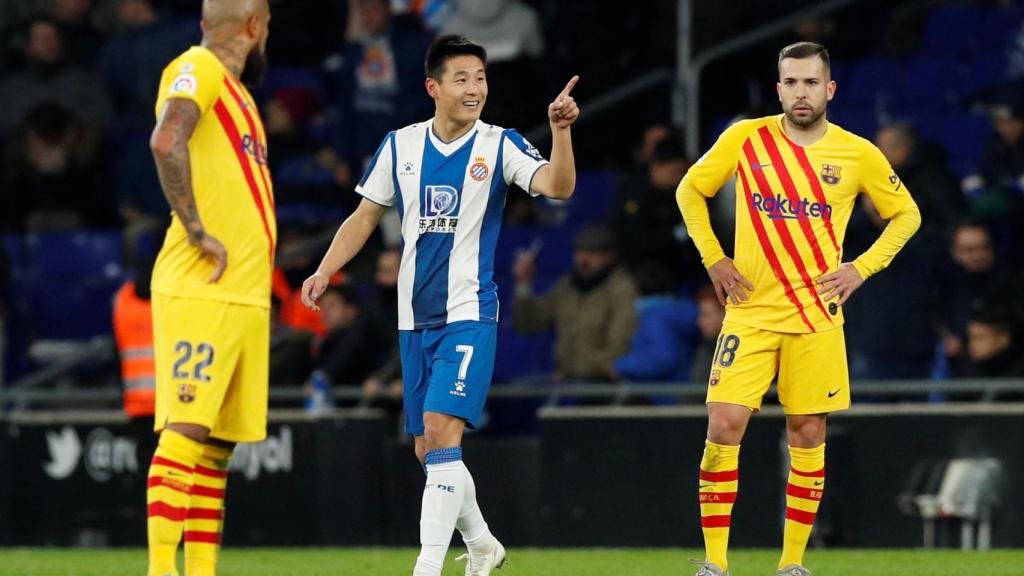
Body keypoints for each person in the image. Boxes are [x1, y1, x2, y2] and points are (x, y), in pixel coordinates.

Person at [301, 34, 579, 576]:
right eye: (462, 78)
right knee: (429, 451)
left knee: (440, 427)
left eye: (480, 77)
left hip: (470, 311)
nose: (475, 88)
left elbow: (558, 186)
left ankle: (427, 567)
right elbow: (363, 216)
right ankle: (482, 544)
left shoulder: (500, 144)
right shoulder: (400, 145)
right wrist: (325, 268)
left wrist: (563, 133)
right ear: (434, 87)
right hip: (413, 317)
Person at [675, 42, 920, 576]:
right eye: (792, 82)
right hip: (750, 310)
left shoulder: (857, 153)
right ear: (778, 87)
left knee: (807, 433)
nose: (801, 92)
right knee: (724, 423)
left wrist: (861, 267)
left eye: (811, 83)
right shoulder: (745, 138)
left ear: (829, 89)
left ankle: (791, 564)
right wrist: (714, 258)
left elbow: (906, 214)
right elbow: (690, 189)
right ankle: (715, 563)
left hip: (815, 317)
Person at [144, 1, 273, 576]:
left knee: (217, 448)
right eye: (266, 25)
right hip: (205, 287)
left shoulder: (241, 95)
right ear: (253, 27)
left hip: (243, 294)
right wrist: (197, 230)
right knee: (188, 429)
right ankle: (160, 570)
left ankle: (200, 571)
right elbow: (166, 139)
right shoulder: (199, 66)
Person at [512, 224, 638, 383]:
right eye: (580, 252)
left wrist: (588, 369)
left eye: (593, 253)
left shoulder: (622, 289)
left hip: (603, 383)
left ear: (609, 255)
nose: (583, 259)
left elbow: (620, 347)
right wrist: (523, 285)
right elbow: (529, 324)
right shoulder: (567, 286)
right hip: (566, 380)